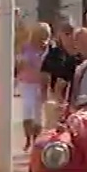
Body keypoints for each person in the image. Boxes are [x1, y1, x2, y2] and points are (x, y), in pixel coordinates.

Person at [16, 21, 52, 151]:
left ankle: (36, 140)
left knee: (39, 113)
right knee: (28, 108)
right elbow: (19, 64)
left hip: (42, 83)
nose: (42, 38)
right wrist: (23, 63)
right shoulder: (26, 47)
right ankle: (27, 139)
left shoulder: (50, 49)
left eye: (45, 35)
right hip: (27, 82)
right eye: (40, 34)